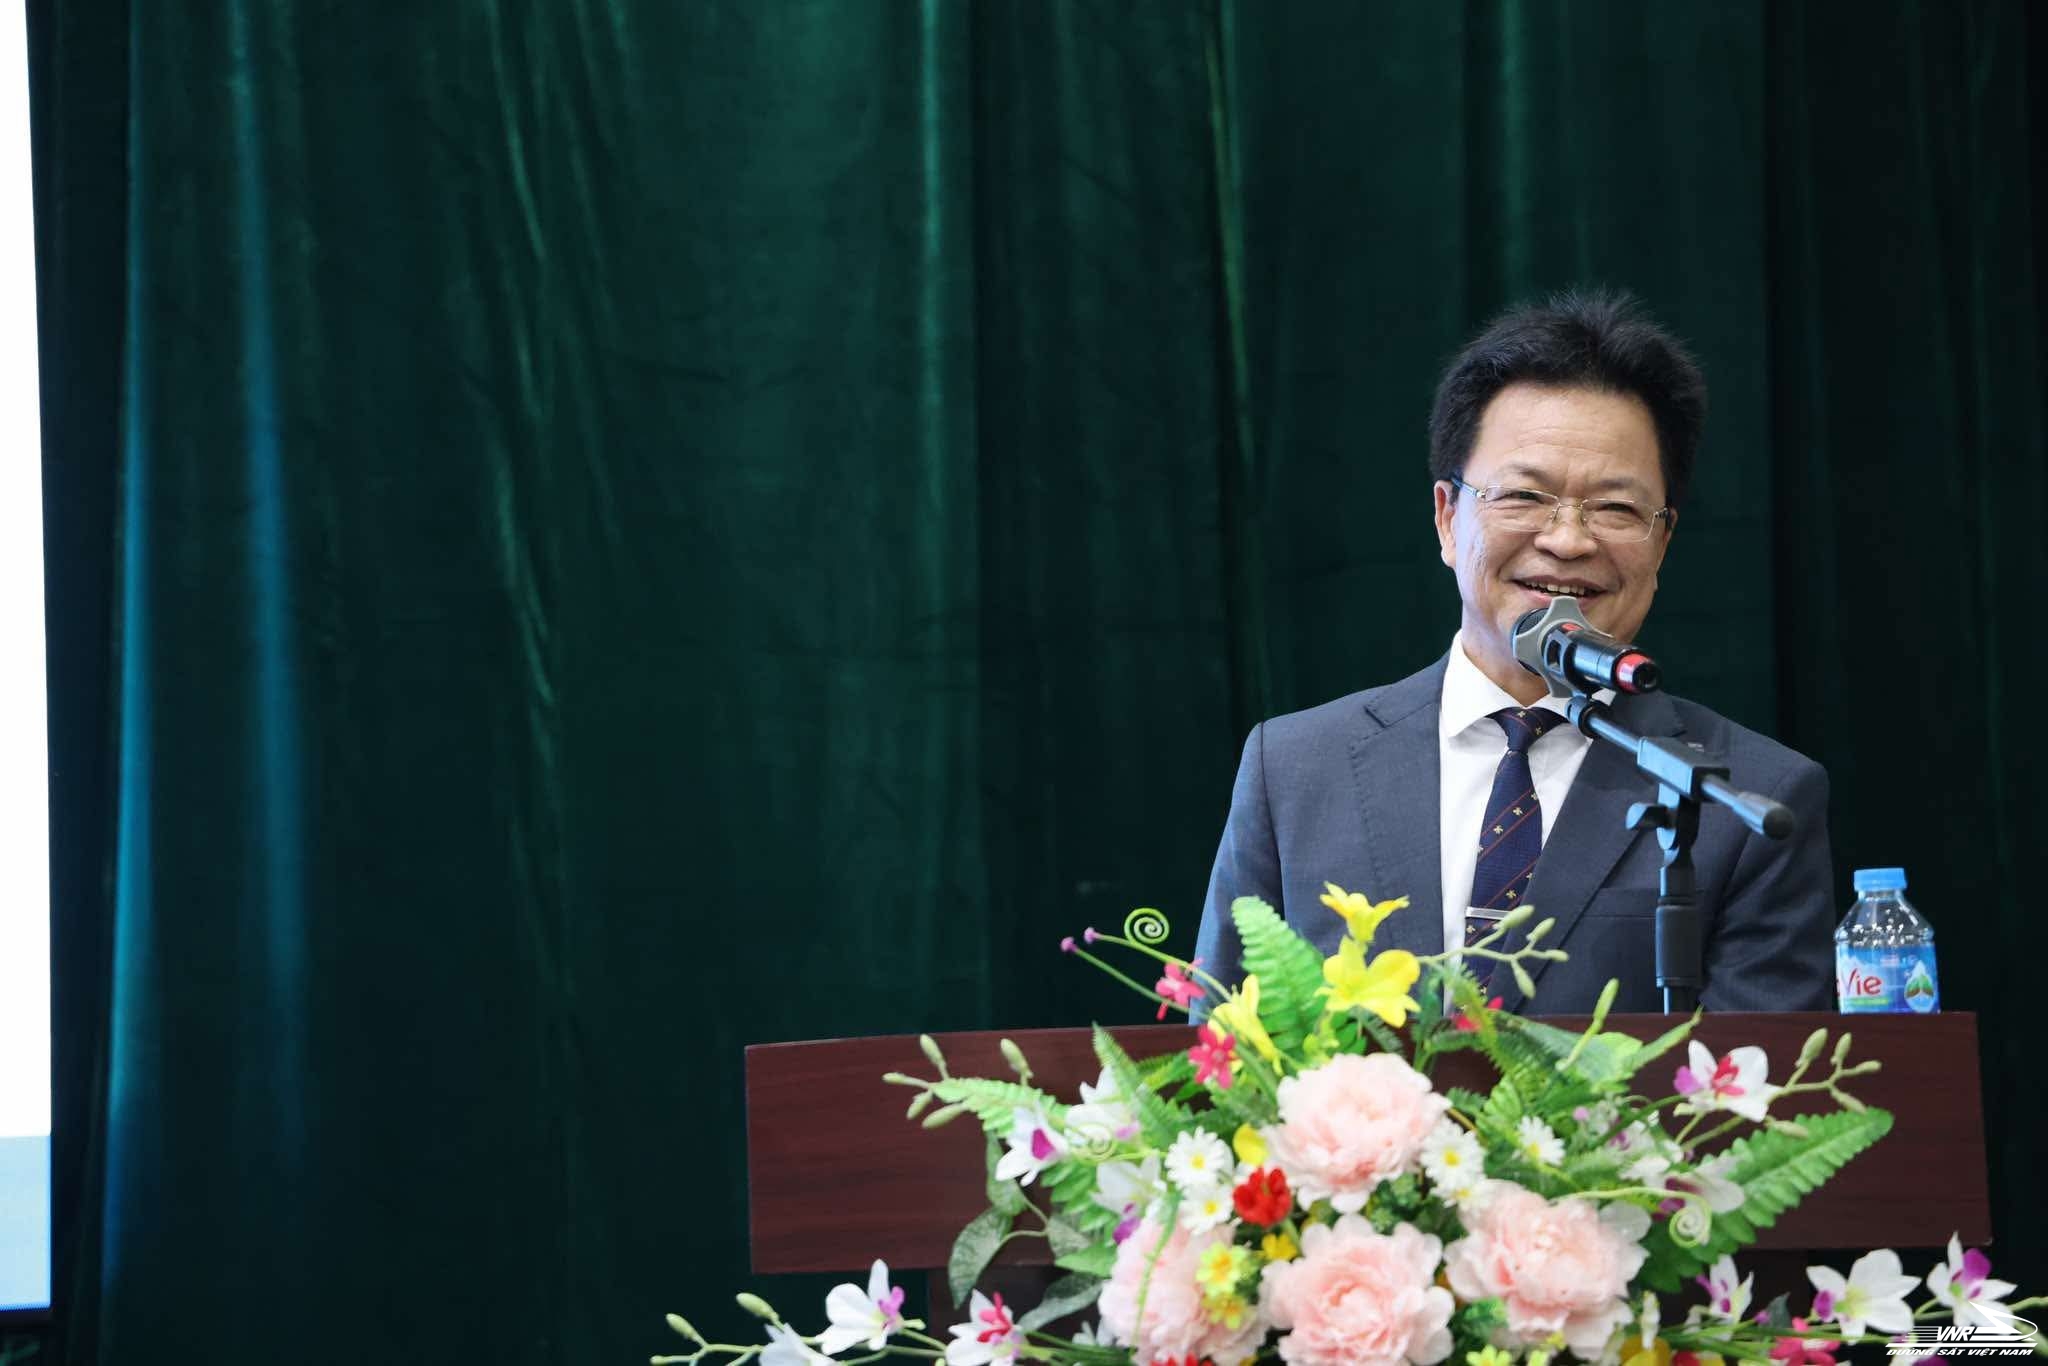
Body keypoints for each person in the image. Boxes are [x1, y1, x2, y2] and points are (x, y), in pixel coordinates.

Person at [1193, 290, 1833, 1014]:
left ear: (1663, 542)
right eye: (1524, 496)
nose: (1568, 540)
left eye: (1616, 508)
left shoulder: (1749, 799)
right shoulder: (1295, 770)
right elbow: (1219, 1052)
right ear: (1447, 518)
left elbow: (1767, 1079)